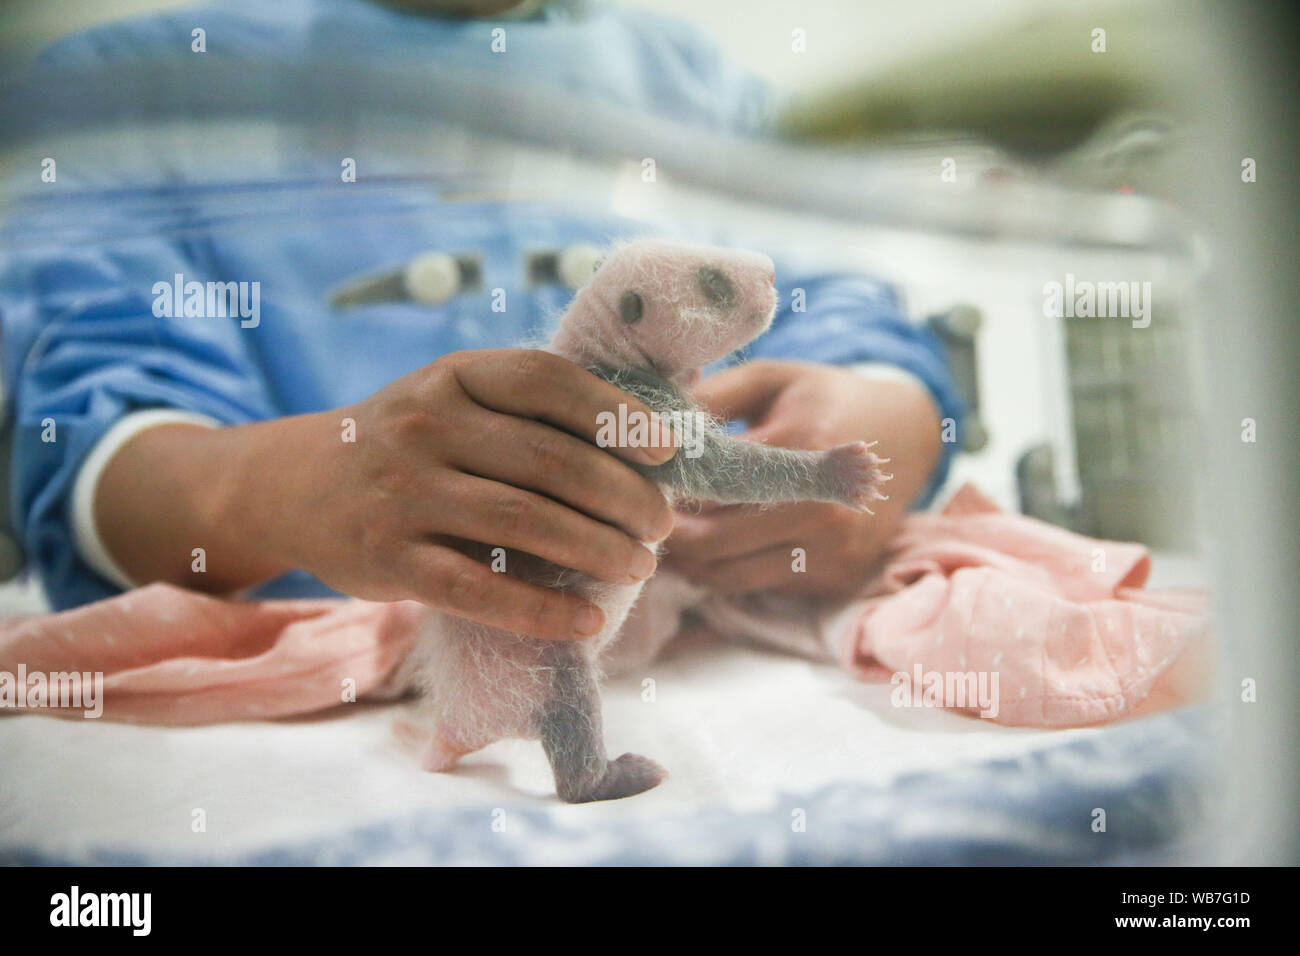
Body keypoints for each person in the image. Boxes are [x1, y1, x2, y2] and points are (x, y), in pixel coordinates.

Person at [0, 0, 961, 642]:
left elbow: (848, 306)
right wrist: (291, 486)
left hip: (703, 667)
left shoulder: (701, 88)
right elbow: (93, 459)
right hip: (321, 711)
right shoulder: (131, 93)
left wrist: (887, 413)